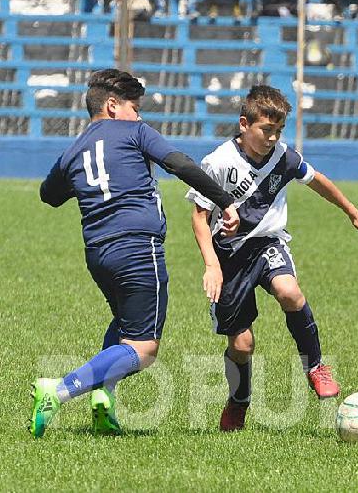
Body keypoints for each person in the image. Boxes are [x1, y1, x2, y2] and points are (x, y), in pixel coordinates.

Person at [33, 69, 241, 437]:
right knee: (144, 348)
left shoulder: (75, 149)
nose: (140, 115)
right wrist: (225, 201)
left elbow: (48, 195)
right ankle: (59, 391)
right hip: (138, 247)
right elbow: (179, 164)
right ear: (112, 106)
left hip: (98, 253)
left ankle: (104, 402)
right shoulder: (134, 133)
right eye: (135, 107)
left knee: (124, 325)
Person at [184, 85, 358, 432]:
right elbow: (199, 217)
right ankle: (239, 400)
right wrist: (211, 265)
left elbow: (318, 181)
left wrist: (352, 211)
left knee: (290, 291)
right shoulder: (217, 163)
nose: (273, 138)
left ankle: (315, 366)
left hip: (267, 243)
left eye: (278, 131)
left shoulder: (284, 157)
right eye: (265, 130)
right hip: (229, 256)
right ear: (244, 124)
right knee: (242, 346)